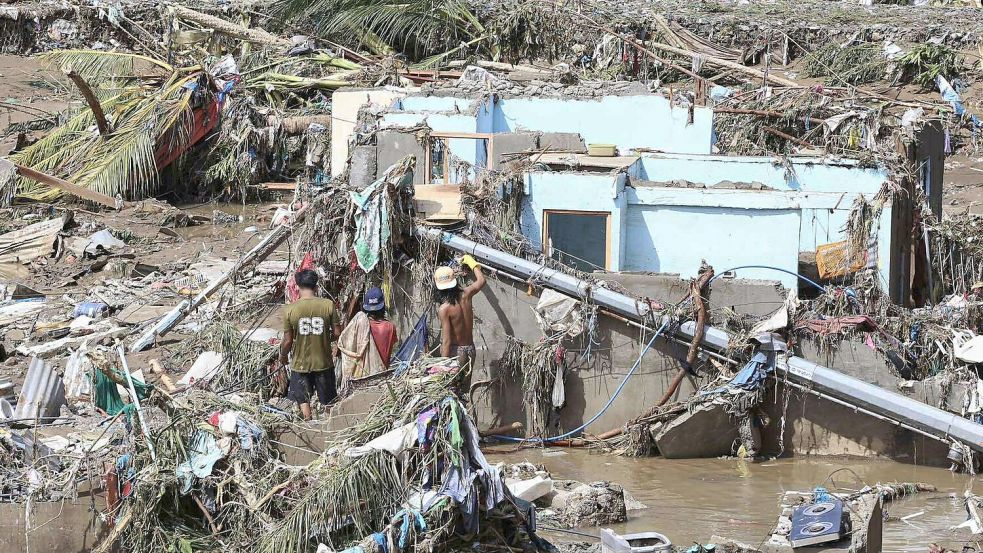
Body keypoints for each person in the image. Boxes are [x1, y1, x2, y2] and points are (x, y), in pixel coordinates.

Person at [279, 269, 342, 420]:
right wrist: (324, 339)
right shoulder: (328, 305)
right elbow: (338, 333)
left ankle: (308, 425)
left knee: (303, 400)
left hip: (300, 364)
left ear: (297, 286)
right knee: (329, 402)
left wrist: (283, 356)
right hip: (324, 362)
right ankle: (330, 427)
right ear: (316, 286)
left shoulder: (289, 309)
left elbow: (287, 340)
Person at [434, 255, 486, 388]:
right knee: (464, 393)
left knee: (451, 392)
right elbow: (481, 280)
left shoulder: (444, 309)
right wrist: (472, 263)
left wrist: (442, 367)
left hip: (456, 353)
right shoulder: (467, 294)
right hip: (470, 350)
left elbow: (446, 341)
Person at [363, 287, 399, 366]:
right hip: (383, 371)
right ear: (382, 306)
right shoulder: (390, 327)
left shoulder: (362, 326)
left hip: (364, 373)